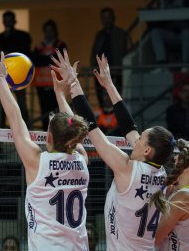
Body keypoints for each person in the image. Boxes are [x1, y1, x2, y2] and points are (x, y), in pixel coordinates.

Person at [51, 49, 175, 250]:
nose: (136, 139)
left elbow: (93, 130)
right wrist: (109, 84)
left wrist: (73, 83)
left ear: (146, 151)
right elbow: (130, 128)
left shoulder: (127, 168)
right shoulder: (159, 172)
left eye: (141, 139)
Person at [0, 49, 90, 250]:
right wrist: (62, 93)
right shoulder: (82, 161)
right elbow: (73, 129)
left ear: (48, 137)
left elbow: (15, 117)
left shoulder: (38, 162)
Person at [0, 10, 32, 126]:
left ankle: (26, 129)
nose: (8, 23)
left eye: (10, 21)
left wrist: (9, 53)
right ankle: (1, 131)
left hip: (18, 73)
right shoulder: (0, 37)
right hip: (3, 74)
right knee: (3, 104)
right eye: (6, 21)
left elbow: (25, 52)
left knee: (21, 103)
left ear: (14, 21)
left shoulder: (23, 36)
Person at [91, 7, 131, 109]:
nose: (107, 20)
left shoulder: (121, 34)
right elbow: (94, 53)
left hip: (117, 72)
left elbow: (127, 52)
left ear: (113, 18)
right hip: (102, 73)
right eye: (104, 17)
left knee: (117, 99)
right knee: (103, 102)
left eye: (108, 17)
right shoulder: (99, 35)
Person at [32, 19, 67, 131]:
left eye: (51, 30)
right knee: (44, 112)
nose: (49, 33)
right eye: (46, 31)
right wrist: (50, 59)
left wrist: (44, 59)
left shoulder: (61, 44)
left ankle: (57, 134)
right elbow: (35, 60)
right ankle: (45, 134)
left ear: (55, 31)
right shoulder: (38, 46)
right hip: (41, 83)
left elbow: (59, 59)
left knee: (57, 110)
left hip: (56, 83)